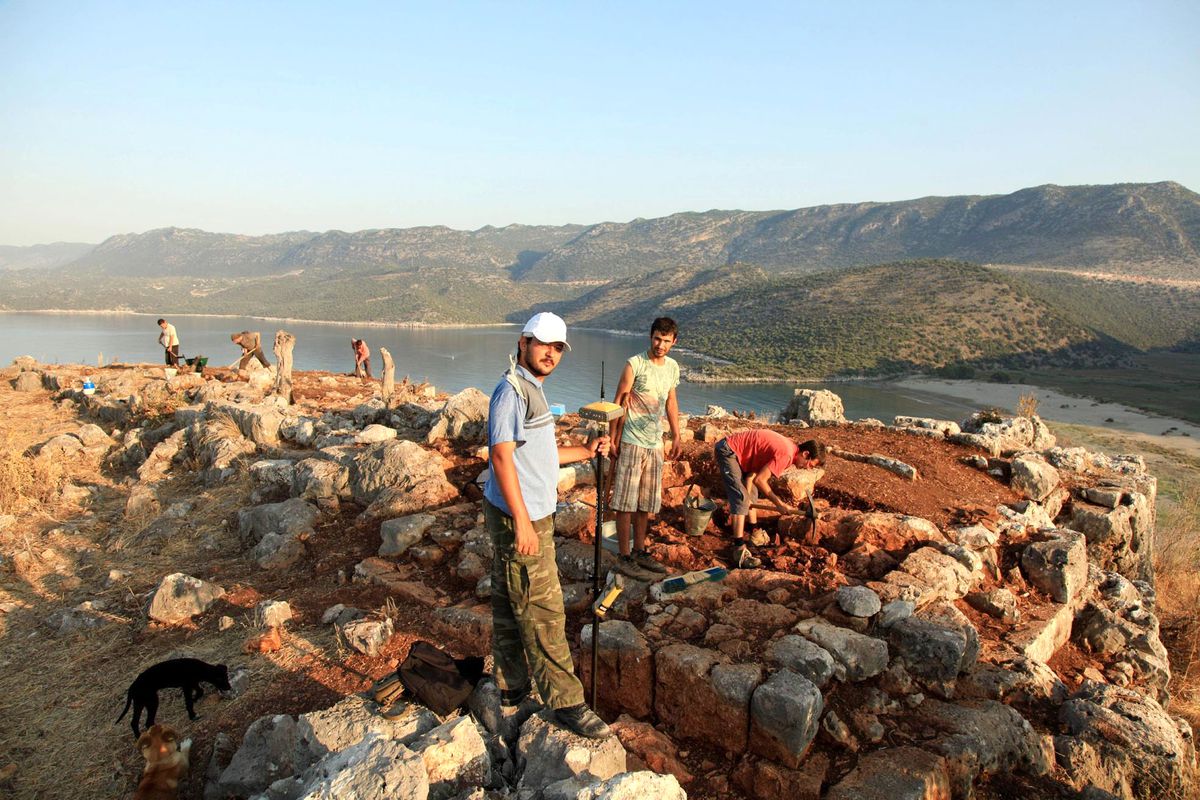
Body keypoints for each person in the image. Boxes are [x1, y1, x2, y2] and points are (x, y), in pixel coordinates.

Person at [483, 311, 613, 739]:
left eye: (558, 348)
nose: (551, 354)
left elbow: (540, 454)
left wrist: (586, 448)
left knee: (509, 600)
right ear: (524, 342)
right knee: (543, 610)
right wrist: (522, 521)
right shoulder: (512, 392)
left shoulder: (533, 390)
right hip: (522, 518)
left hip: (525, 514)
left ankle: (512, 689)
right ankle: (567, 704)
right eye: (543, 344)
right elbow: (501, 457)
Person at [608, 317, 681, 577]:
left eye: (666, 341)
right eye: (657, 339)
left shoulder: (672, 367)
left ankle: (639, 551)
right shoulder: (635, 364)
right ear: (650, 337)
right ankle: (624, 556)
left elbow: (671, 402)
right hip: (631, 441)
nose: (660, 345)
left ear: (674, 342)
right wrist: (613, 438)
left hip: (654, 443)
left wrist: (676, 435)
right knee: (625, 502)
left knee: (645, 504)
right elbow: (618, 402)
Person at [713, 430, 825, 568]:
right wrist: (779, 503)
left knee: (751, 495)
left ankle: (754, 532)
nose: (807, 469)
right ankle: (738, 549)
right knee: (740, 498)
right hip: (728, 450)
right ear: (806, 454)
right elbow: (761, 480)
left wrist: (750, 496)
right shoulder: (787, 455)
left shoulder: (790, 449)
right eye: (810, 465)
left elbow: (752, 477)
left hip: (741, 455)